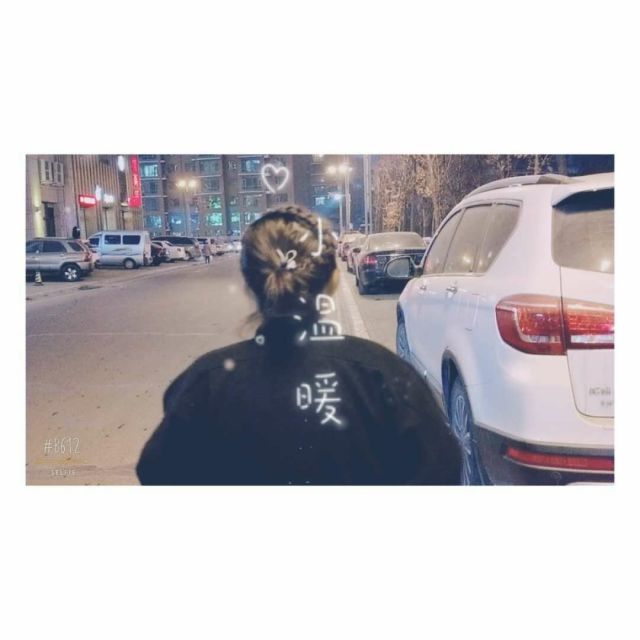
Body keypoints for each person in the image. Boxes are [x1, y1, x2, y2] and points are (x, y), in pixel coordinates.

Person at [136, 205, 461, 485]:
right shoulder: (383, 376)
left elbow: (157, 470)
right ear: (333, 280)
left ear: (250, 283)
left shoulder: (204, 383)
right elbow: (442, 467)